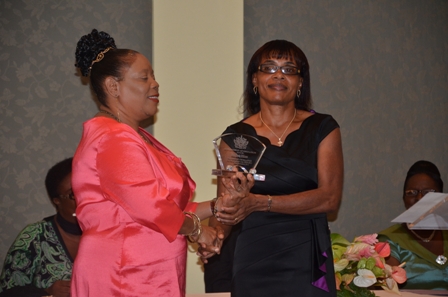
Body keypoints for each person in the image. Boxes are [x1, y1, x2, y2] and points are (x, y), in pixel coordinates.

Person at [71, 29, 246, 297]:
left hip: (144, 272)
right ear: (113, 87)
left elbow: (171, 208)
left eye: (153, 76)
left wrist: (216, 206)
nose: (155, 84)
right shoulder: (112, 137)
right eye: (144, 77)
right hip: (122, 275)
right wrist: (199, 233)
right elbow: (151, 209)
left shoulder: (133, 135)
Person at [202, 40, 344, 297]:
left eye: (289, 69)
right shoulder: (235, 137)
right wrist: (215, 235)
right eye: (269, 68)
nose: (279, 75)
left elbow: (330, 198)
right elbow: (228, 204)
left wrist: (259, 202)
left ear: (300, 83)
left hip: (307, 258)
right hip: (252, 256)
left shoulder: (323, 128)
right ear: (255, 79)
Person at [0, 157, 80, 297]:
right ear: (57, 201)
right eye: (73, 194)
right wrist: (47, 293)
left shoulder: (107, 234)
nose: (82, 198)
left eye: (86, 189)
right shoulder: (34, 236)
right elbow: (8, 292)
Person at [378, 160, 448, 290]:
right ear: (404, 199)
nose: (420, 198)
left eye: (428, 193)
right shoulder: (389, 240)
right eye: (412, 192)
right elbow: (388, 287)